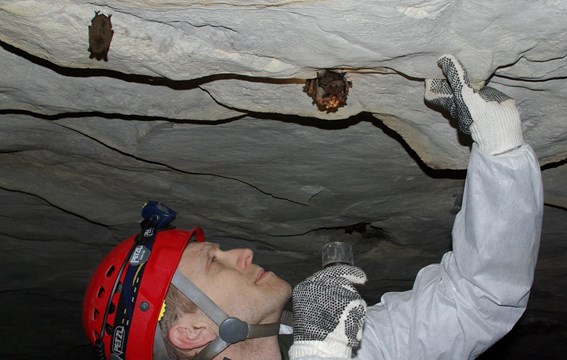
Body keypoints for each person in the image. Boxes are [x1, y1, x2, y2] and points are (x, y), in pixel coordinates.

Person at [82, 54, 543, 360]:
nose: (241, 252)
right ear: (193, 332)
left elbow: (478, 302)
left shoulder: (342, 346)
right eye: (214, 261)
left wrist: (501, 155)